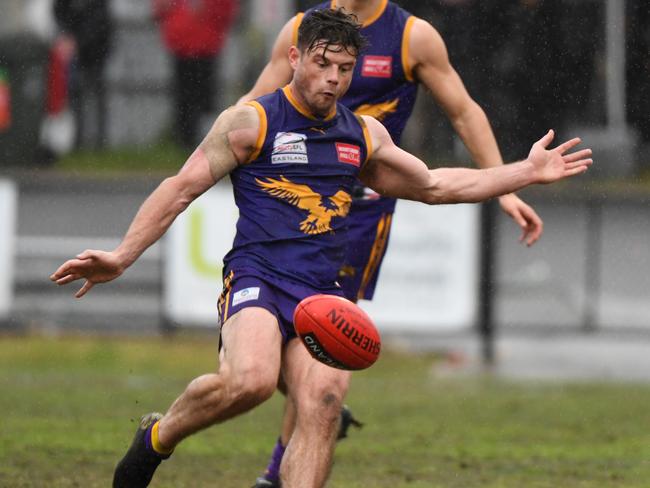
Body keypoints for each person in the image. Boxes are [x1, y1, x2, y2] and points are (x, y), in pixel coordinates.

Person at [50, 8, 591, 488]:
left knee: (325, 401)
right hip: (258, 277)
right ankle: (158, 438)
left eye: (345, 69)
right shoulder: (249, 123)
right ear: (294, 57)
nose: (333, 79)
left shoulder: (364, 135)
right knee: (252, 382)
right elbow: (179, 188)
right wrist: (122, 255)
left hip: (323, 291)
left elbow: (434, 185)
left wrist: (523, 172)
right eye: (322, 64)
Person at [237, 2, 543, 485]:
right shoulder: (303, 29)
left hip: (362, 214)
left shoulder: (412, 37)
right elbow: (252, 105)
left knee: (320, 338)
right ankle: (312, 422)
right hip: (294, 205)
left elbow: (463, 112)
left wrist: (503, 187)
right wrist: (219, 155)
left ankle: (277, 473)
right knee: (297, 357)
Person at [152, 0, 238, 149]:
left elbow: (227, 13)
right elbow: (160, 9)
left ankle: (203, 139)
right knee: (184, 98)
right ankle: (185, 140)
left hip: (206, 47)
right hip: (182, 47)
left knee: (204, 97)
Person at [53, 0, 112, 149]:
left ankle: (99, 143)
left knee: (96, 96)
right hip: (74, 52)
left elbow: (99, 21)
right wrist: (66, 35)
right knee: (74, 96)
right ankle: (77, 141)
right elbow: (59, 12)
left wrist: (77, 42)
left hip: (96, 50)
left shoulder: (97, 6)